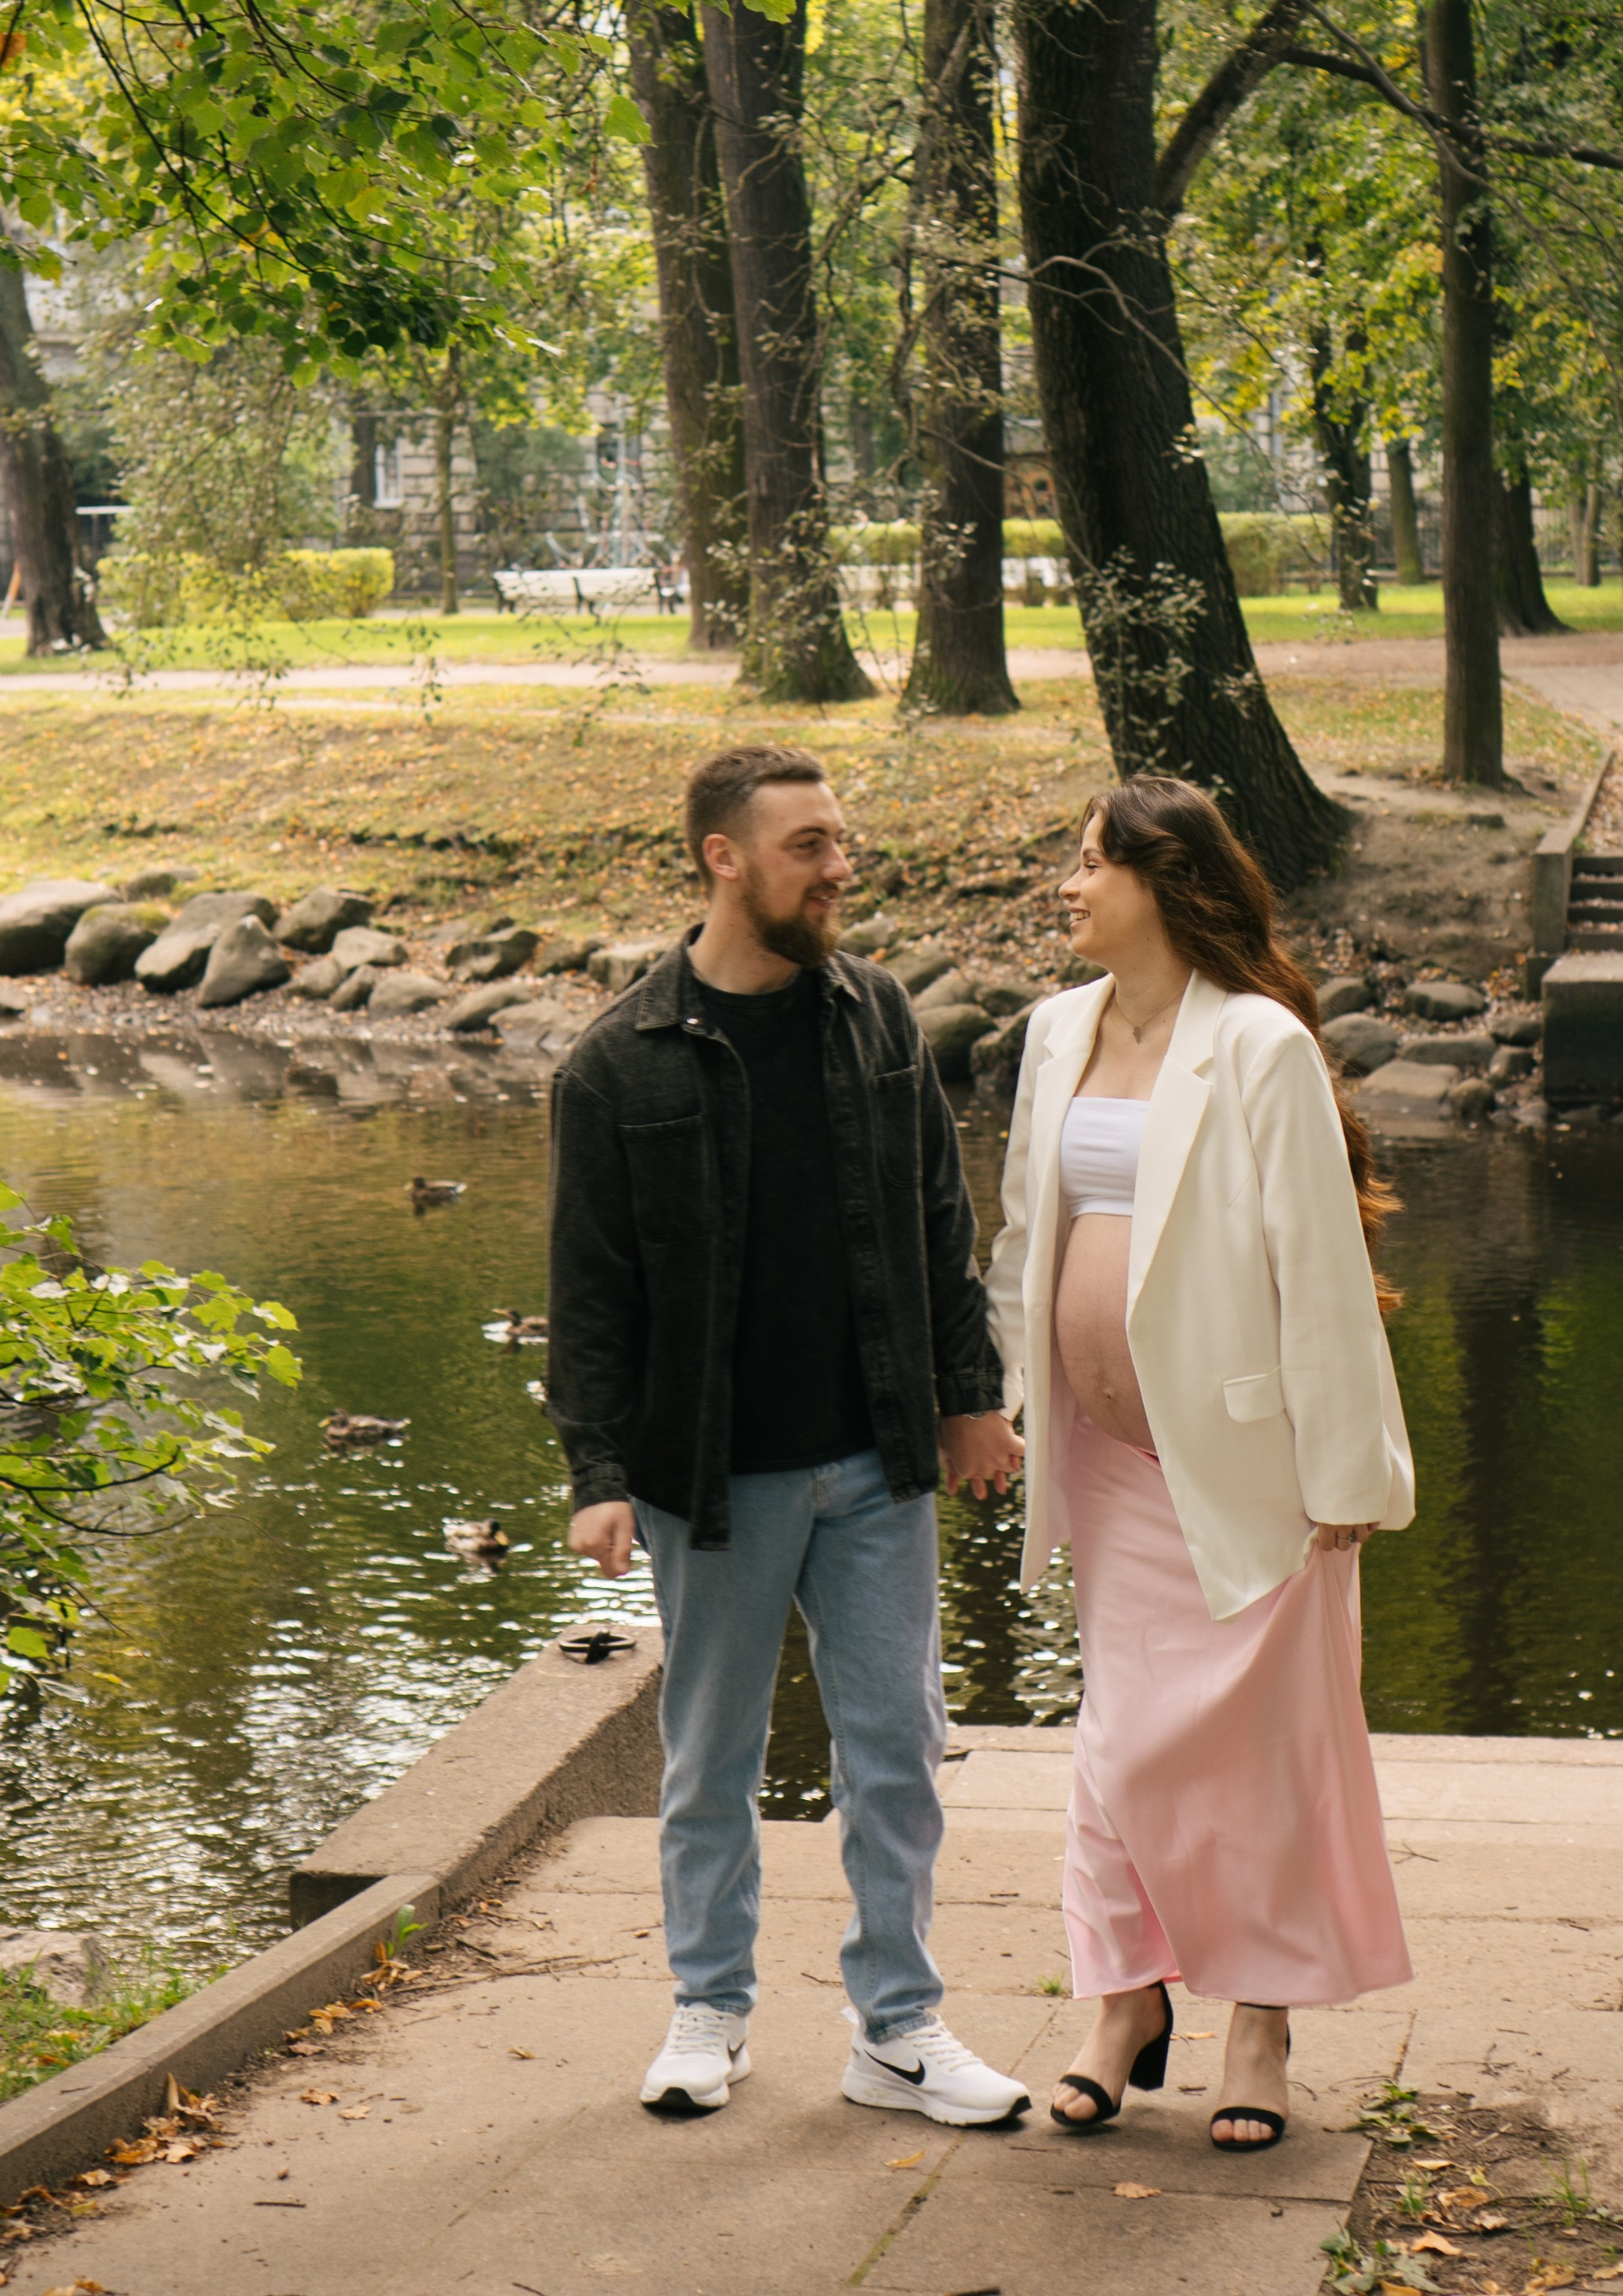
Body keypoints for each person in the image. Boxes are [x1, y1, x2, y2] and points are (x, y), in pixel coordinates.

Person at [545, 743, 1029, 2126]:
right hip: (719, 1479)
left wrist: (968, 1395)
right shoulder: (617, 1064)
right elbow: (592, 1293)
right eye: (809, 844)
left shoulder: (873, 1014)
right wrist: (597, 1476)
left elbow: (940, 1221)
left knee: (899, 1748)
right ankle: (710, 2008)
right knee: (709, 1759)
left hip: (880, 1459)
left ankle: (899, 2028)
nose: (839, 866)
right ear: (725, 857)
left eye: (838, 841)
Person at [987, 775, 1414, 2149]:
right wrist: (1003, 1408)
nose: (1069, 881)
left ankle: (1260, 2024)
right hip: (1103, 1460)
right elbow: (1019, 1243)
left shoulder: (1260, 1046)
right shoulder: (1056, 1032)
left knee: (1267, 1754)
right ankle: (1123, 1999)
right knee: (1118, 1740)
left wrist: (1346, 1479)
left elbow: (1323, 1272)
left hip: (1245, 1466)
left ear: (1165, 884)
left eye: (1091, 861)